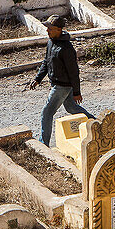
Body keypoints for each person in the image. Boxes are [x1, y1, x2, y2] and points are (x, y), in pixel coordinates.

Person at [27, 15, 90, 145]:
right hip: (59, 84)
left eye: (50, 28)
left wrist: (77, 91)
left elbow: (74, 72)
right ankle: (97, 124)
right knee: (72, 107)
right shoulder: (51, 42)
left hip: (62, 86)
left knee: (47, 112)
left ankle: (43, 144)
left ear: (58, 29)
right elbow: (46, 61)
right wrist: (38, 79)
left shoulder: (66, 49)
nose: (47, 31)